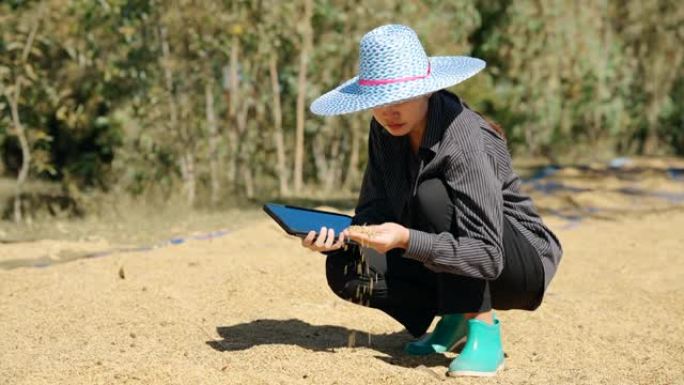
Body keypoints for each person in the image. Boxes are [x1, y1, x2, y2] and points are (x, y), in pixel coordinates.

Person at [302, 24, 562, 377]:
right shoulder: (384, 130)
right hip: (459, 258)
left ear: (428, 90)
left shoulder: (464, 137)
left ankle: (483, 329)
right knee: (346, 267)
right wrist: (341, 238)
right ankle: (455, 316)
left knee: (431, 194)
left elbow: (488, 255)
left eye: (402, 98)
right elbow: (372, 210)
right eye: (380, 102)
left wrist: (406, 239)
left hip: (516, 264)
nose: (390, 112)